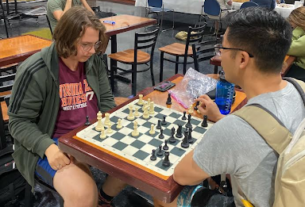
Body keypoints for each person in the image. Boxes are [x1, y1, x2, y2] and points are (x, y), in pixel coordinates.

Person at [154, 7, 305, 207]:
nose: (220, 54)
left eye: (223, 49)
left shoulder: (235, 130)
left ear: (242, 59)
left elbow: (182, 175)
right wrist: (220, 118)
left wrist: (217, 138)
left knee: (163, 195)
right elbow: (269, 133)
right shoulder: (299, 88)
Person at [9, 6, 126, 207]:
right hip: (46, 144)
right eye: (85, 45)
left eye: (95, 44)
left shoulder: (92, 61)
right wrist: (48, 148)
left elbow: (106, 100)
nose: (92, 51)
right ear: (66, 39)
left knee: (138, 165)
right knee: (82, 193)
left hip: (85, 137)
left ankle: (103, 200)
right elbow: (18, 123)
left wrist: (108, 129)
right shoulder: (35, 70)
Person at [285, 6, 305, 82]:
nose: (291, 24)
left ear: (299, 22)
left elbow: (287, 47)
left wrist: (297, 31)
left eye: (292, 21)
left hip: (302, 70)